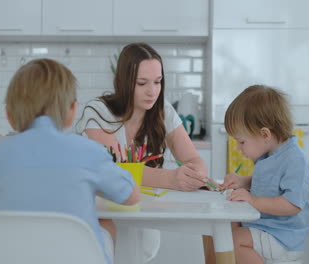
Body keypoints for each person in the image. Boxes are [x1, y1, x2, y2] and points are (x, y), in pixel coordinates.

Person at [0, 58, 140, 264]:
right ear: (72, 111)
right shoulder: (89, 152)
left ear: (9, 115)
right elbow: (131, 196)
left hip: (18, 257)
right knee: (105, 223)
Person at [75, 42, 216, 263]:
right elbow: (115, 171)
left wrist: (195, 174)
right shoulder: (97, 112)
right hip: (101, 216)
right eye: (142, 83)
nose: (152, 91)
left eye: (158, 82)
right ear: (123, 83)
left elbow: (194, 159)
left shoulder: (162, 110)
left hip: (144, 214)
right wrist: (171, 178)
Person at [217, 85, 309, 264]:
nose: (238, 148)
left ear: (265, 134)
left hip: (286, 239)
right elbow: (270, 185)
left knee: (233, 240)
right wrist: (243, 182)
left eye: (241, 141)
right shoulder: (269, 156)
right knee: (222, 228)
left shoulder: (295, 159)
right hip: (270, 229)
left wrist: (253, 201)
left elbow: (293, 204)